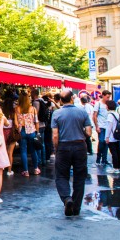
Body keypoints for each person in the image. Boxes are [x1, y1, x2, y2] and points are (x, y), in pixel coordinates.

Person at [51, 89, 92, 217]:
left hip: (63, 146)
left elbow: (55, 135)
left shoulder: (57, 114)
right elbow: (89, 133)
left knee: (61, 175)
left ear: (61, 100)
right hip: (80, 145)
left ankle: (67, 198)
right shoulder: (82, 112)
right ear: (72, 99)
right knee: (80, 177)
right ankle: (77, 207)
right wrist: (81, 134)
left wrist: (56, 149)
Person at [14, 92, 40, 177]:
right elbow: (36, 121)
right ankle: (36, 169)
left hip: (22, 131)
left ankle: (26, 171)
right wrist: (37, 131)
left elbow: (16, 122)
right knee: (33, 150)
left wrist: (18, 128)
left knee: (23, 151)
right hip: (32, 130)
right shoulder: (33, 109)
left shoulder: (17, 109)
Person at [92, 90, 112, 166]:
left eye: (109, 97)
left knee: (106, 143)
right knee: (101, 142)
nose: (108, 98)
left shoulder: (108, 104)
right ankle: (98, 158)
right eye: (107, 97)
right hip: (101, 126)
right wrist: (96, 126)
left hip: (107, 126)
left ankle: (104, 159)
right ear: (103, 96)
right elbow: (95, 115)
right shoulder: (98, 104)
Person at [104, 100, 120, 174]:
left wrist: (107, 137)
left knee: (114, 152)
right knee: (118, 151)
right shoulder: (117, 114)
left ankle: (115, 168)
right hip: (117, 135)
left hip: (112, 136)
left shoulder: (110, 115)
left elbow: (109, 127)